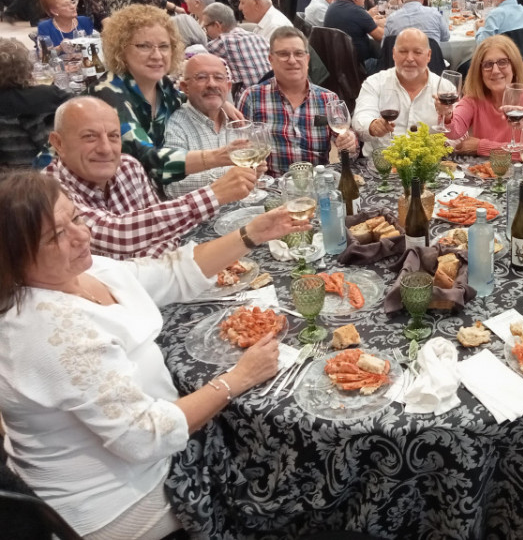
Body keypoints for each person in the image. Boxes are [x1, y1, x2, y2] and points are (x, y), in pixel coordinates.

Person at [0, 170, 305, 538]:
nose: (82, 236)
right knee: (283, 471)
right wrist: (238, 379)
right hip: (122, 503)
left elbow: (166, 274)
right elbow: (145, 437)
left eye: (76, 217)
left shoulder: (81, 271)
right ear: (13, 259)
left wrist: (251, 234)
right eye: (56, 236)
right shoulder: (51, 331)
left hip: (151, 448)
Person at [45, 97, 254, 260]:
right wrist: (215, 194)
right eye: (89, 136)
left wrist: (145, 270)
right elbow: (116, 235)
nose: (105, 149)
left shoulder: (128, 166)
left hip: (150, 283)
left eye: (113, 136)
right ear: (59, 143)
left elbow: (167, 234)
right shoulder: (47, 190)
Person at [88, 4, 236, 188]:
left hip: (147, 192)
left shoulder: (162, 86)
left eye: (164, 46)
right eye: (144, 46)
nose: (157, 55)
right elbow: (150, 163)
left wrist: (221, 103)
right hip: (105, 196)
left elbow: (185, 98)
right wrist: (221, 157)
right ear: (121, 49)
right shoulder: (108, 93)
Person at [237, 27, 358, 172]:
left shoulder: (328, 99)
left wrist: (350, 143)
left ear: (307, 59)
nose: (292, 60)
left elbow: (348, 147)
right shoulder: (253, 98)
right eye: (283, 54)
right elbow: (240, 149)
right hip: (272, 187)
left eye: (298, 53)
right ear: (271, 60)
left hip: (316, 184)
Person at [437, 34, 523, 157]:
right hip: (482, 172)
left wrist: (479, 146)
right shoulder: (474, 97)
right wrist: (446, 114)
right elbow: (453, 132)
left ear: (514, 66)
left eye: (502, 62)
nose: (495, 71)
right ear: (479, 72)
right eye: (487, 65)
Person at [352, 28, 449, 157]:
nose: (409, 58)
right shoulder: (375, 82)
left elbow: (458, 135)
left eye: (417, 52)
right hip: (380, 166)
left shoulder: (445, 88)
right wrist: (372, 125)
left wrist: (448, 117)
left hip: (428, 168)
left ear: (429, 55)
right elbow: (360, 118)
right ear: (393, 53)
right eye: (403, 51)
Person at [163, 54, 240, 197]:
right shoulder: (176, 125)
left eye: (218, 78)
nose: (212, 84)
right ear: (185, 88)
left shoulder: (236, 121)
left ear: (228, 87)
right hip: (207, 217)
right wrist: (231, 175)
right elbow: (172, 186)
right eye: (201, 77)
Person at [0, 38, 69, 168]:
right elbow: (85, 108)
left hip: (7, 180)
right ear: (27, 67)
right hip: (52, 171)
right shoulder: (49, 95)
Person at [202, 2, 271, 92]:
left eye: (206, 28)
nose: (206, 32)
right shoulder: (260, 38)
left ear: (217, 25)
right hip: (272, 95)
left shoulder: (223, 42)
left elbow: (196, 58)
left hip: (247, 100)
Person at [384, 0, 449, 42]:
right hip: (429, 52)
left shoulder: (391, 20)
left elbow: (385, 47)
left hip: (404, 52)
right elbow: (445, 37)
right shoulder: (435, 14)